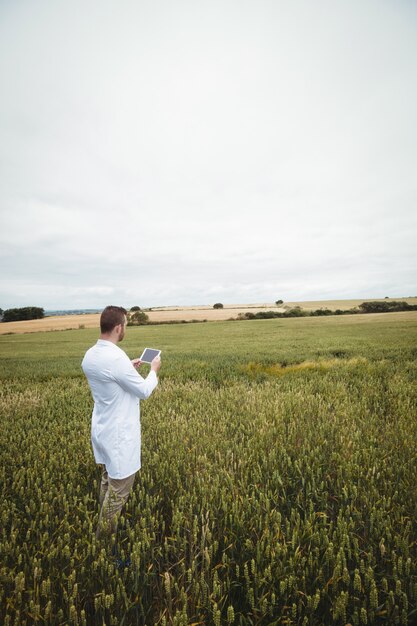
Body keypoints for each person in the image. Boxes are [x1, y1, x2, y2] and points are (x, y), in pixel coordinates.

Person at [81, 305, 161, 541]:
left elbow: (111, 379)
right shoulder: (116, 358)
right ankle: (103, 546)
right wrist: (153, 370)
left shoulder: (91, 354)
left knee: (107, 479)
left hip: (102, 430)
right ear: (118, 327)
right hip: (119, 436)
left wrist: (128, 366)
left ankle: (103, 523)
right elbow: (144, 391)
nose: (125, 328)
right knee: (119, 489)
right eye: (125, 325)